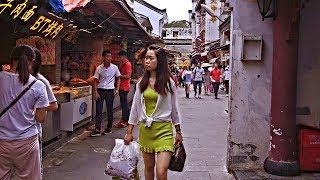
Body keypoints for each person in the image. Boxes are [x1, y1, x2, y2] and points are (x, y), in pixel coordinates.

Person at [124, 45, 183, 180]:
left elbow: (174, 108)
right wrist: (129, 132)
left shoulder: (168, 83)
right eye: (145, 58)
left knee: (161, 171)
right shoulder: (141, 83)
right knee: (149, 169)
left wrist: (178, 131)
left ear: (159, 60)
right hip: (146, 131)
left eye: (150, 58)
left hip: (164, 131)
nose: (147, 61)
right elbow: (135, 108)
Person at [0, 45, 49, 180]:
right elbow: (40, 118)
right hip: (27, 142)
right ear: (32, 62)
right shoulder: (38, 85)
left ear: (11, 60)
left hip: (1, 141)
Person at [32, 48, 58, 177]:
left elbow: (53, 105)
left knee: (34, 168)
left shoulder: (41, 81)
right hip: (11, 136)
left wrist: (36, 108)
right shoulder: (12, 79)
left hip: (32, 131)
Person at [90, 50, 121, 136]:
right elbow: (96, 80)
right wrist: (95, 91)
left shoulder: (115, 67)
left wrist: (117, 89)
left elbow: (118, 77)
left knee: (110, 110)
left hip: (110, 91)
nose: (109, 58)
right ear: (103, 57)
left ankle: (108, 128)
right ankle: (97, 129)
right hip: (100, 91)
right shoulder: (99, 68)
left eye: (110, 56)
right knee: (99, 110)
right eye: (107, 56)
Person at [114, 51, 132, 128]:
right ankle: (124, 119)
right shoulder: (124, 64)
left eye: (120, 57)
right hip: (122, 86)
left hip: (124, 87)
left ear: (123, 56)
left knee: (124, 104)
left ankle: (125, 120)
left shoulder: (127, 64)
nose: (119, 59)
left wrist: (119, 75)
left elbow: (128, 76)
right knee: (123, 104)